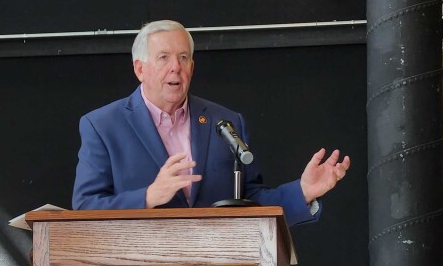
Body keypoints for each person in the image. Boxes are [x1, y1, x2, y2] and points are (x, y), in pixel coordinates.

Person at [72, 20, 351, 226]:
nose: (175, 67)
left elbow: (248, 200)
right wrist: (148, 196)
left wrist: (301, 192)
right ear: (139, 68)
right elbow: (85, 207)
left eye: (183, 58)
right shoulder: (103, 125)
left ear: (192, 68)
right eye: (164, 57)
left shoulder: (226, 122)